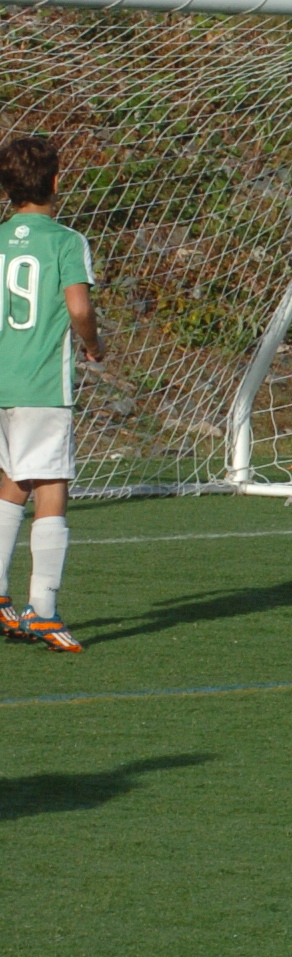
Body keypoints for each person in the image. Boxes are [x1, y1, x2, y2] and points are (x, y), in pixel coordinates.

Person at [0, 136, 103, 652]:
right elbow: (79, 308)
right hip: (41, 382)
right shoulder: (66, 241)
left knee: (13, 480)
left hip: (2, 379)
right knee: (52, 483)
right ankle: (42, 609)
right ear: (57, 182)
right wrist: (93, 344)